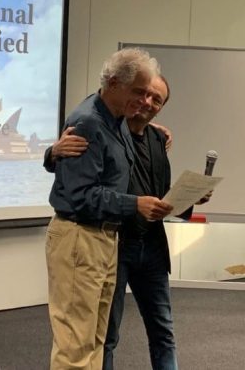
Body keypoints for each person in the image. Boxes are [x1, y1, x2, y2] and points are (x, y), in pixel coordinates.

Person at [47, 75, 210, 370]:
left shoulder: (159, 139)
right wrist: (52, 152)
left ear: (161, 108)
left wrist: (190, 201)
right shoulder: (107, 129)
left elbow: (160, 193)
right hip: (115, 244)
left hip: (152, 248)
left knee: (163, 331)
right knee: (105, 334)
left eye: (157, 99)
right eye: (144, 93)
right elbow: (77, 175)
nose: (147, 102)